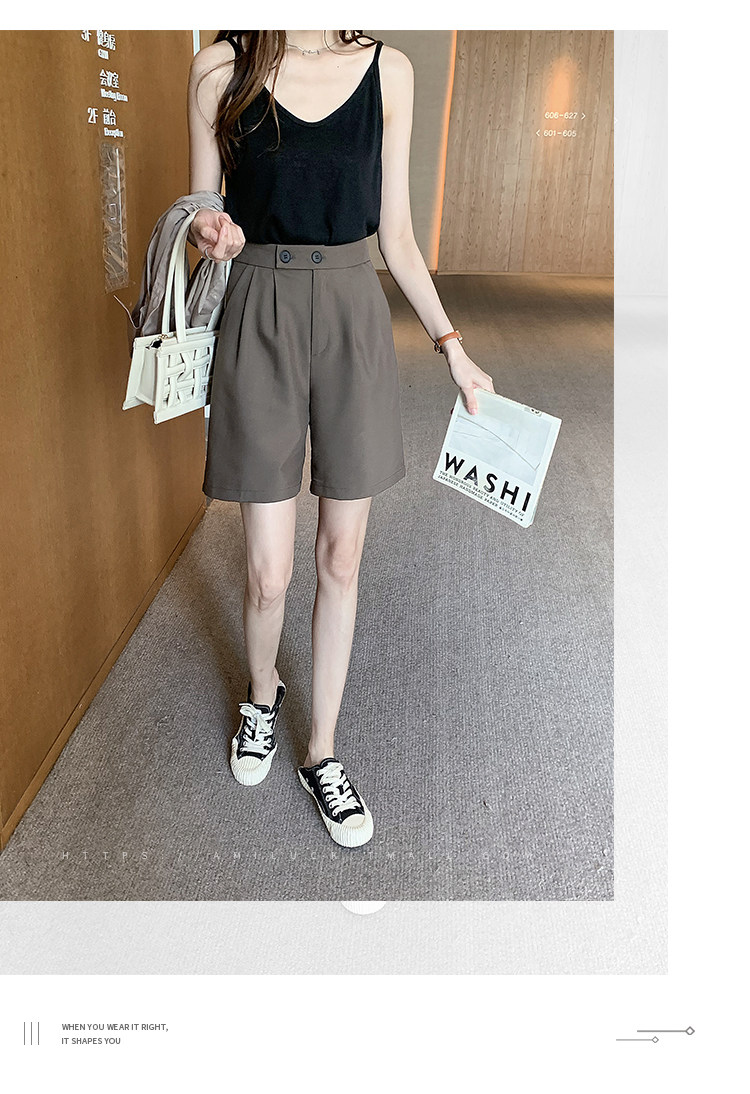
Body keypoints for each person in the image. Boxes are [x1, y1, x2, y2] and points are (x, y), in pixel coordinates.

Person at [186, 30, 494, 848]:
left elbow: (398, 236)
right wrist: (209, 231)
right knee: (266, 571)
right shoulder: (221, 67)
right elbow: (199, 211)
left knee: (341, 556)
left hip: (353, 310)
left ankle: (322, 751)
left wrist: (453, 349)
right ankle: (263, 696)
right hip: (258, 307)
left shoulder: (389, 72)